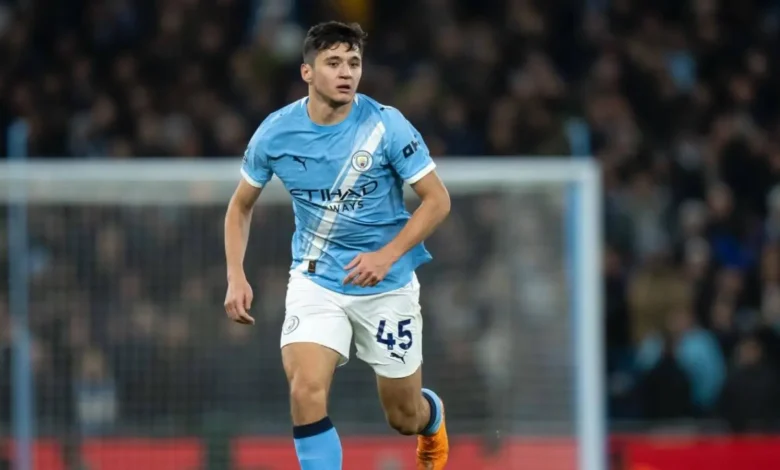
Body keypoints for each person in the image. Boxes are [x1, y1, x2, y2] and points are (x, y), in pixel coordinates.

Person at [222, 21, 451, 470]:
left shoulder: (386, 125)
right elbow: (239, 207)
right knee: (305, 390)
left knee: (403, 417)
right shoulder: (275, 133)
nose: (346, 72)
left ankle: (433, 418)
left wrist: (386, 256)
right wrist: (235, 274)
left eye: (353, 62)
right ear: (307, 72)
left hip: (386, 285)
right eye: (333, 63)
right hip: (316, 280)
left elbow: (437, 200)